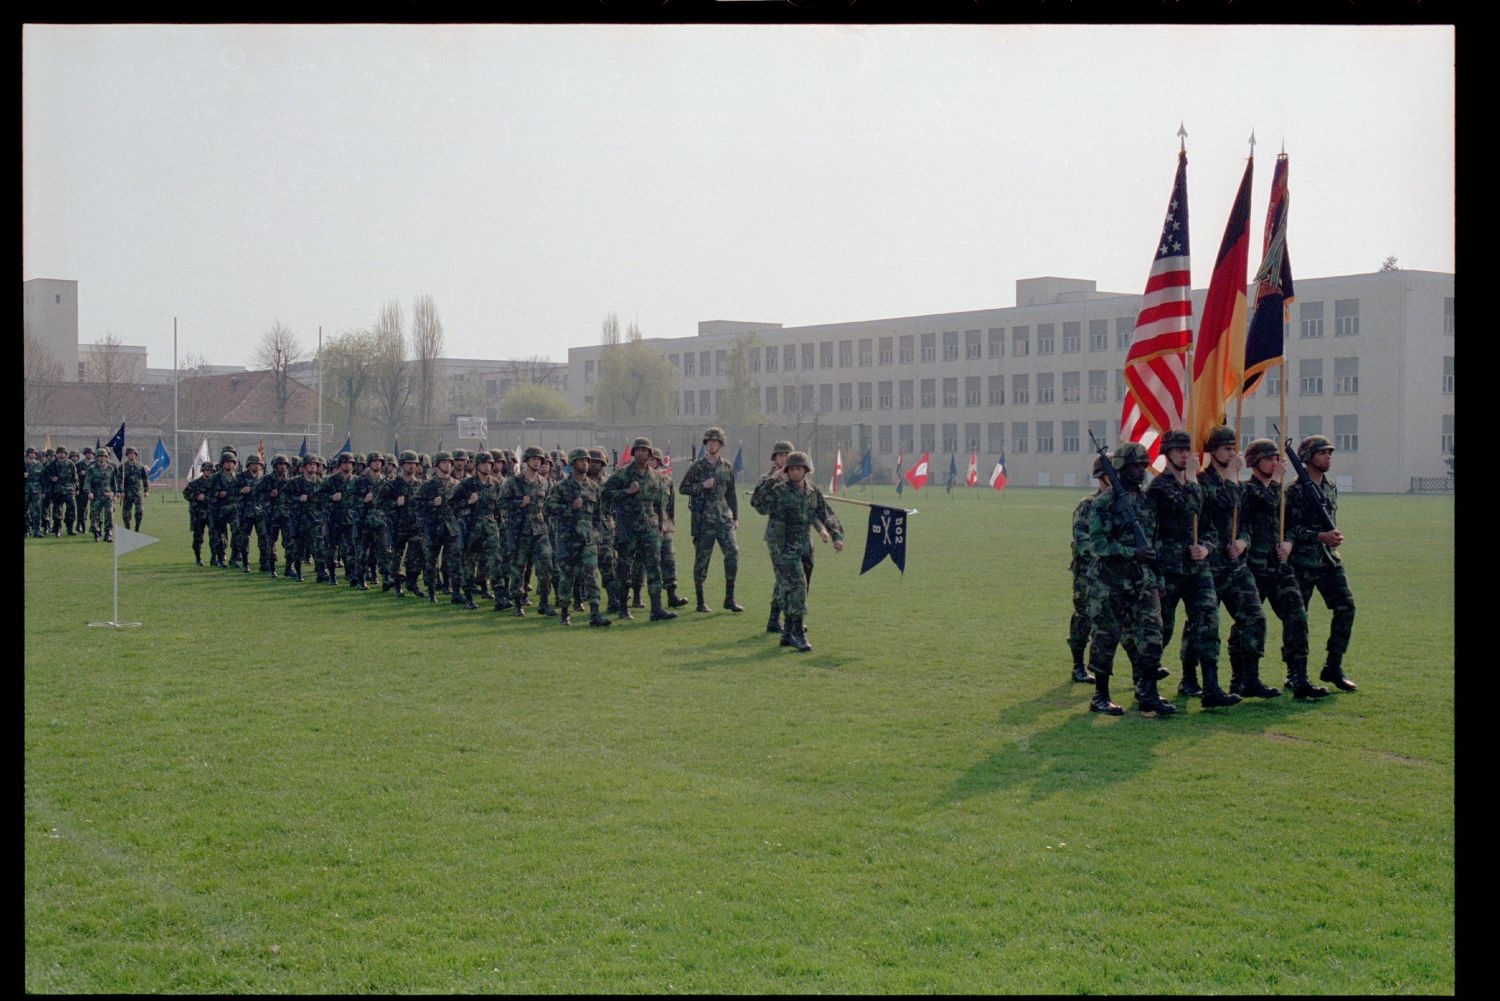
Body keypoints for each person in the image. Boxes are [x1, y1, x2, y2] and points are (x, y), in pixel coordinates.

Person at [1147, 430, 1240, 708]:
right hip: (1170, 568)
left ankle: (1211, 687)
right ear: (1166, 454)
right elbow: (1190, 505)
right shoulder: (1159, 488)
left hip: (1197, 568)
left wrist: (1207, 548)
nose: (1185, 455)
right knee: (1162, 627)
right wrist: (1190, 479)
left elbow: (1208, 522)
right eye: (1178, 451)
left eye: (1187, 451)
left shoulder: (1192, 483)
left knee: (1208, 624)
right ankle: (1147, 687)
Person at [1084, 441, 1175, 715]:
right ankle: (1100, 695)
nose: (1141, 471)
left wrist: (1157, 578)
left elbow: (1154, 543)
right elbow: (1098, 546)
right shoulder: (1103, 504)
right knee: (1106, 639)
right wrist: (1131, 552)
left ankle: (1147, 691)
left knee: (1151, 637)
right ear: (1121, 468)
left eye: (1144, 466)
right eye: (1136, 466)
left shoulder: (1147, 502)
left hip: (1143, 582)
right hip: (1109, 583)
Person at [1186, 426, 1276, 698]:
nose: (1232, 453)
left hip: (1235, 563)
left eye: (1235, 448)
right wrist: (1231, 476)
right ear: (1213, 451)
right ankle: (1189, 677)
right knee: (1201, 624)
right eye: (1227, 449)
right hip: (1209, 565)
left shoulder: (1236, 481)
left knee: (1254, 617)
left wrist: (1243, 541)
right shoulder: (1202, 481)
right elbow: (1221, 502)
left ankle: (1247, 677)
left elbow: (1245, 520)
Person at [1241, 439, 1324, 700]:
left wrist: (1288, 542)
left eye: (1276, 458)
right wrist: (1277, 481)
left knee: (1297, 616)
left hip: (1279, 566)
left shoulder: (1281, 493)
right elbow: (1265, 503)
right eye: (1268, 459)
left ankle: (1298, 676)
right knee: (1250, 622)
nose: (1274, 463)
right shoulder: (1247, 491)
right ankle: (1245, 678)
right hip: (1254, 566)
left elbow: (1287, 521)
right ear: (1254, 463)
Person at [1287, 434, 1359, 692]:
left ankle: (1333, 666)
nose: (1328, 456)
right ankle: (1295, 673)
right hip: (1303, 562)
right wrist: (1319, 536)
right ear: (1307, 457)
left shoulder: (1329, 486)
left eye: (1329, 453)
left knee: (1346, 608)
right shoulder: (1294, 491)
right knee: (1297, 618)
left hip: (1328, 560)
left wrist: (1332, 537)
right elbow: (1290, 529)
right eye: (1322, 453)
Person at [752, 451, 843, 652]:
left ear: (805, 471)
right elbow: (758, 504)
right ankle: (797, 633)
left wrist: (836, 536)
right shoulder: (779, 490)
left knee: (796, 589)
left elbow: (825, 513)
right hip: (783, 545)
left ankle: (787, 632)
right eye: (791, 469)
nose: (794, 472)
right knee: (797, 585)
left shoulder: (812, 491)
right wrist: (771, 480)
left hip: (804, 545)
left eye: (798, 469)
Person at [602, 437, 677, 622]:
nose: (642, 453)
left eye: (645, 450)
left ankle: (656, 608)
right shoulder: (623, 474)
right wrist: (626, 492)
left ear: (650, 454)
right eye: (639, 450)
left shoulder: (657, 477)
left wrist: (661, 526)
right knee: (624, 568)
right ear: (633, 453)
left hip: (650, 528)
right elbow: (605, 493)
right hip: (628, 528)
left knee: (654, 568)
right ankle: (623, 608)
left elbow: (660, 504)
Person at [545, 448, 612, 627]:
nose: (586, 464)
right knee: (567, 576)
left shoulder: (594, 488)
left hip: (588, 539)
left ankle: (595, 613)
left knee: (592, 575)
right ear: (574, 463)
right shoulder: (561, 487)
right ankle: (565, 612)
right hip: (567, 539)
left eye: (587, 461)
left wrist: (597, 537)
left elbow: (599, 516)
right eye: (582, 461)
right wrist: (569, 507)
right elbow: (548, 508)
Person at [679, 426, 742, 613]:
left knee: (732, 553)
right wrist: (701, 486)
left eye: (715, 441)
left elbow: (731, 494)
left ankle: (729, 598)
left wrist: (735, 516)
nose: (712, 444)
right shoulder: (697, 467)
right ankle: (700, 600)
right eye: (709, 441)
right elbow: (683, 488)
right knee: (702, 560)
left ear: (721, 444)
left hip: (724, 518)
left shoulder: (727, 467)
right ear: (706, 444)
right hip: (703, 519)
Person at [1066, 457, 1111, 684]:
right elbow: (1082, 540)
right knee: (1084, 617)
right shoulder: (1088, 505)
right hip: (1087, 572)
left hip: (1112, 572)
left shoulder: (1121, 504)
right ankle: (1078, 665)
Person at [417, 451, 464, 604]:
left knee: (454, 561)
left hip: (451, 528)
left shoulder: (456, 485)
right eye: (444, 462)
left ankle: (455, 592)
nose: (448, 465)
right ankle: (431, 592)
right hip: (432, 527)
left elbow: (461, 505)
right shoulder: (428, 485)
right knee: (431, 562)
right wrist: (431, 504)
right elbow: (415, 505)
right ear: (437, 465)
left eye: (449, 462)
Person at [383, 450, 426, 598]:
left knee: (416, 555)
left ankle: (412, 582)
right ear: (402, 465)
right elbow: (380, 502)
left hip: (415, 525)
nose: (412, 466)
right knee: (397, 556)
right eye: (409, 463)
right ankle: (396, 585)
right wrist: (395, 503)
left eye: (414, 464)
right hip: (398, 525)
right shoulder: (393, 484)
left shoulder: (419, 484)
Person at [85, 448, 119, 542]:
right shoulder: (92, 469)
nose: (102, 458)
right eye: (100, 456)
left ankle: (108, 534)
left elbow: (113, 483)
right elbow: (87, 482)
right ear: (97, 457)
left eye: (104, 456)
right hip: (96, 496)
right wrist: (89, 492)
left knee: (109, 514)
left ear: (106, 457)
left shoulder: (110, 468)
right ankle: (96, 532)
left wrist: (115, 494)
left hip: (108, 495)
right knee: (94, 516)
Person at [183, 460, 215, 564]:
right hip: (198, 514)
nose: (208, 472)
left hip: (212, 513)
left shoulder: (215, 484)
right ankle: (198, 558)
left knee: (214, 536)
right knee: (198, 537)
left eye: (210, 470)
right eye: (206, 470)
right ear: (202, 471)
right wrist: (196, 497)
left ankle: (214, 558)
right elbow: (186, 493)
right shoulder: (195, 483)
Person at [44, 446, 77, 536]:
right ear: (56, 454)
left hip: (69, 490)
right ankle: (57, 529)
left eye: (63, 453)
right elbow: (45, 476)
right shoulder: (51, 464)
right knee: (57, 511)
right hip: (56, 490)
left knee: (71, 509)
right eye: (59, 453)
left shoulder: (70, 463)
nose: (61, 454)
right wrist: (51, 478)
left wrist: (76, 488)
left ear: (66, 454)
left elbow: (75, 477)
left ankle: (69, 528)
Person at [120, 445, 150, 533]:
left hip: (137, 492)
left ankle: (137, 527)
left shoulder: (140, 466)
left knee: (139, 511)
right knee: (126, 513)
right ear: (127, 455)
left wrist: (146, 490)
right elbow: (119, 480)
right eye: (129, 454)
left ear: (135, 455)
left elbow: (144, 479)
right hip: (126, 493)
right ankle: (128, 528)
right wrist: (120, 491)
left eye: (133, 454)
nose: (131, 455)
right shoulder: (123, 467)